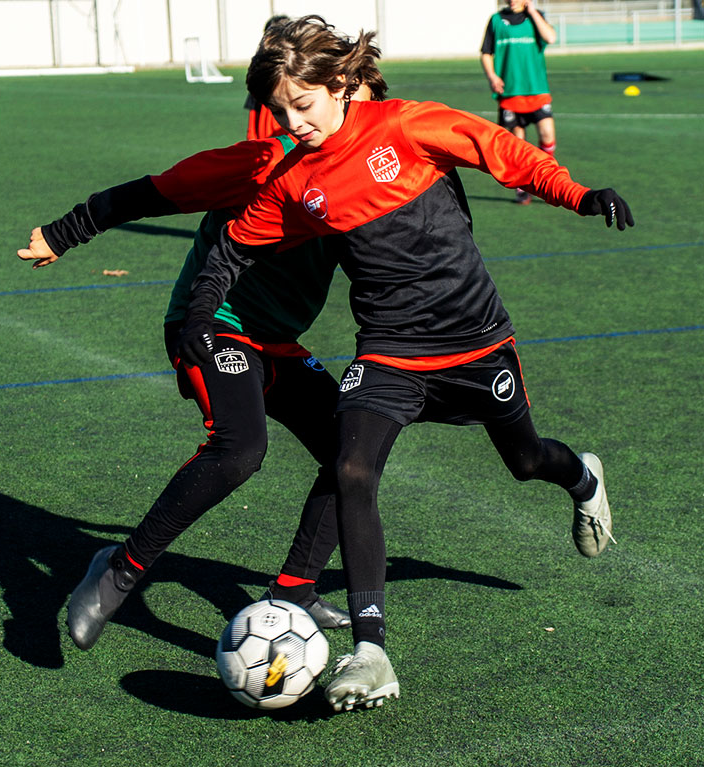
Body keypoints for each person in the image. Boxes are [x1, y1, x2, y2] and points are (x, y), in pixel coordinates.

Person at [177, 15, 634, 713]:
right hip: (390, 348)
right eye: (277, 111)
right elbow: (236, 244)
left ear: (338, 86)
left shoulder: (407, 125)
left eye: (301, 105)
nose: (290, 122)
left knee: (524, 459)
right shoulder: (299, 179)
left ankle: (580, 475)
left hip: (476, 340)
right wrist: (203, 311)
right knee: (351, 465)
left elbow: (500, 151)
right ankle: (371, 650)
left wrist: (576, 194)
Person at [16, 64, 388, 651]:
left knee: (352, 452)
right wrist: (65, 232)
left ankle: (295, 588)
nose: (345, 120)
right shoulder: (260, 162)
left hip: (280, 343)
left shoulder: (373, 178)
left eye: (362, 108)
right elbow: (153, 190)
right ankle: (120, 570)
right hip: (211, 324)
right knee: (240, 448)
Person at [480, 0, 558, 205]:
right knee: (518, 146)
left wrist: (533, 11)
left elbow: (550, 37)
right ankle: (523, 188)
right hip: (510, 93)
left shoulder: (536, 16)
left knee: (547, 134)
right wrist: (492, 77)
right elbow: (486, 53)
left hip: (537, 89)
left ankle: (547, 179)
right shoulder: (496, 20)